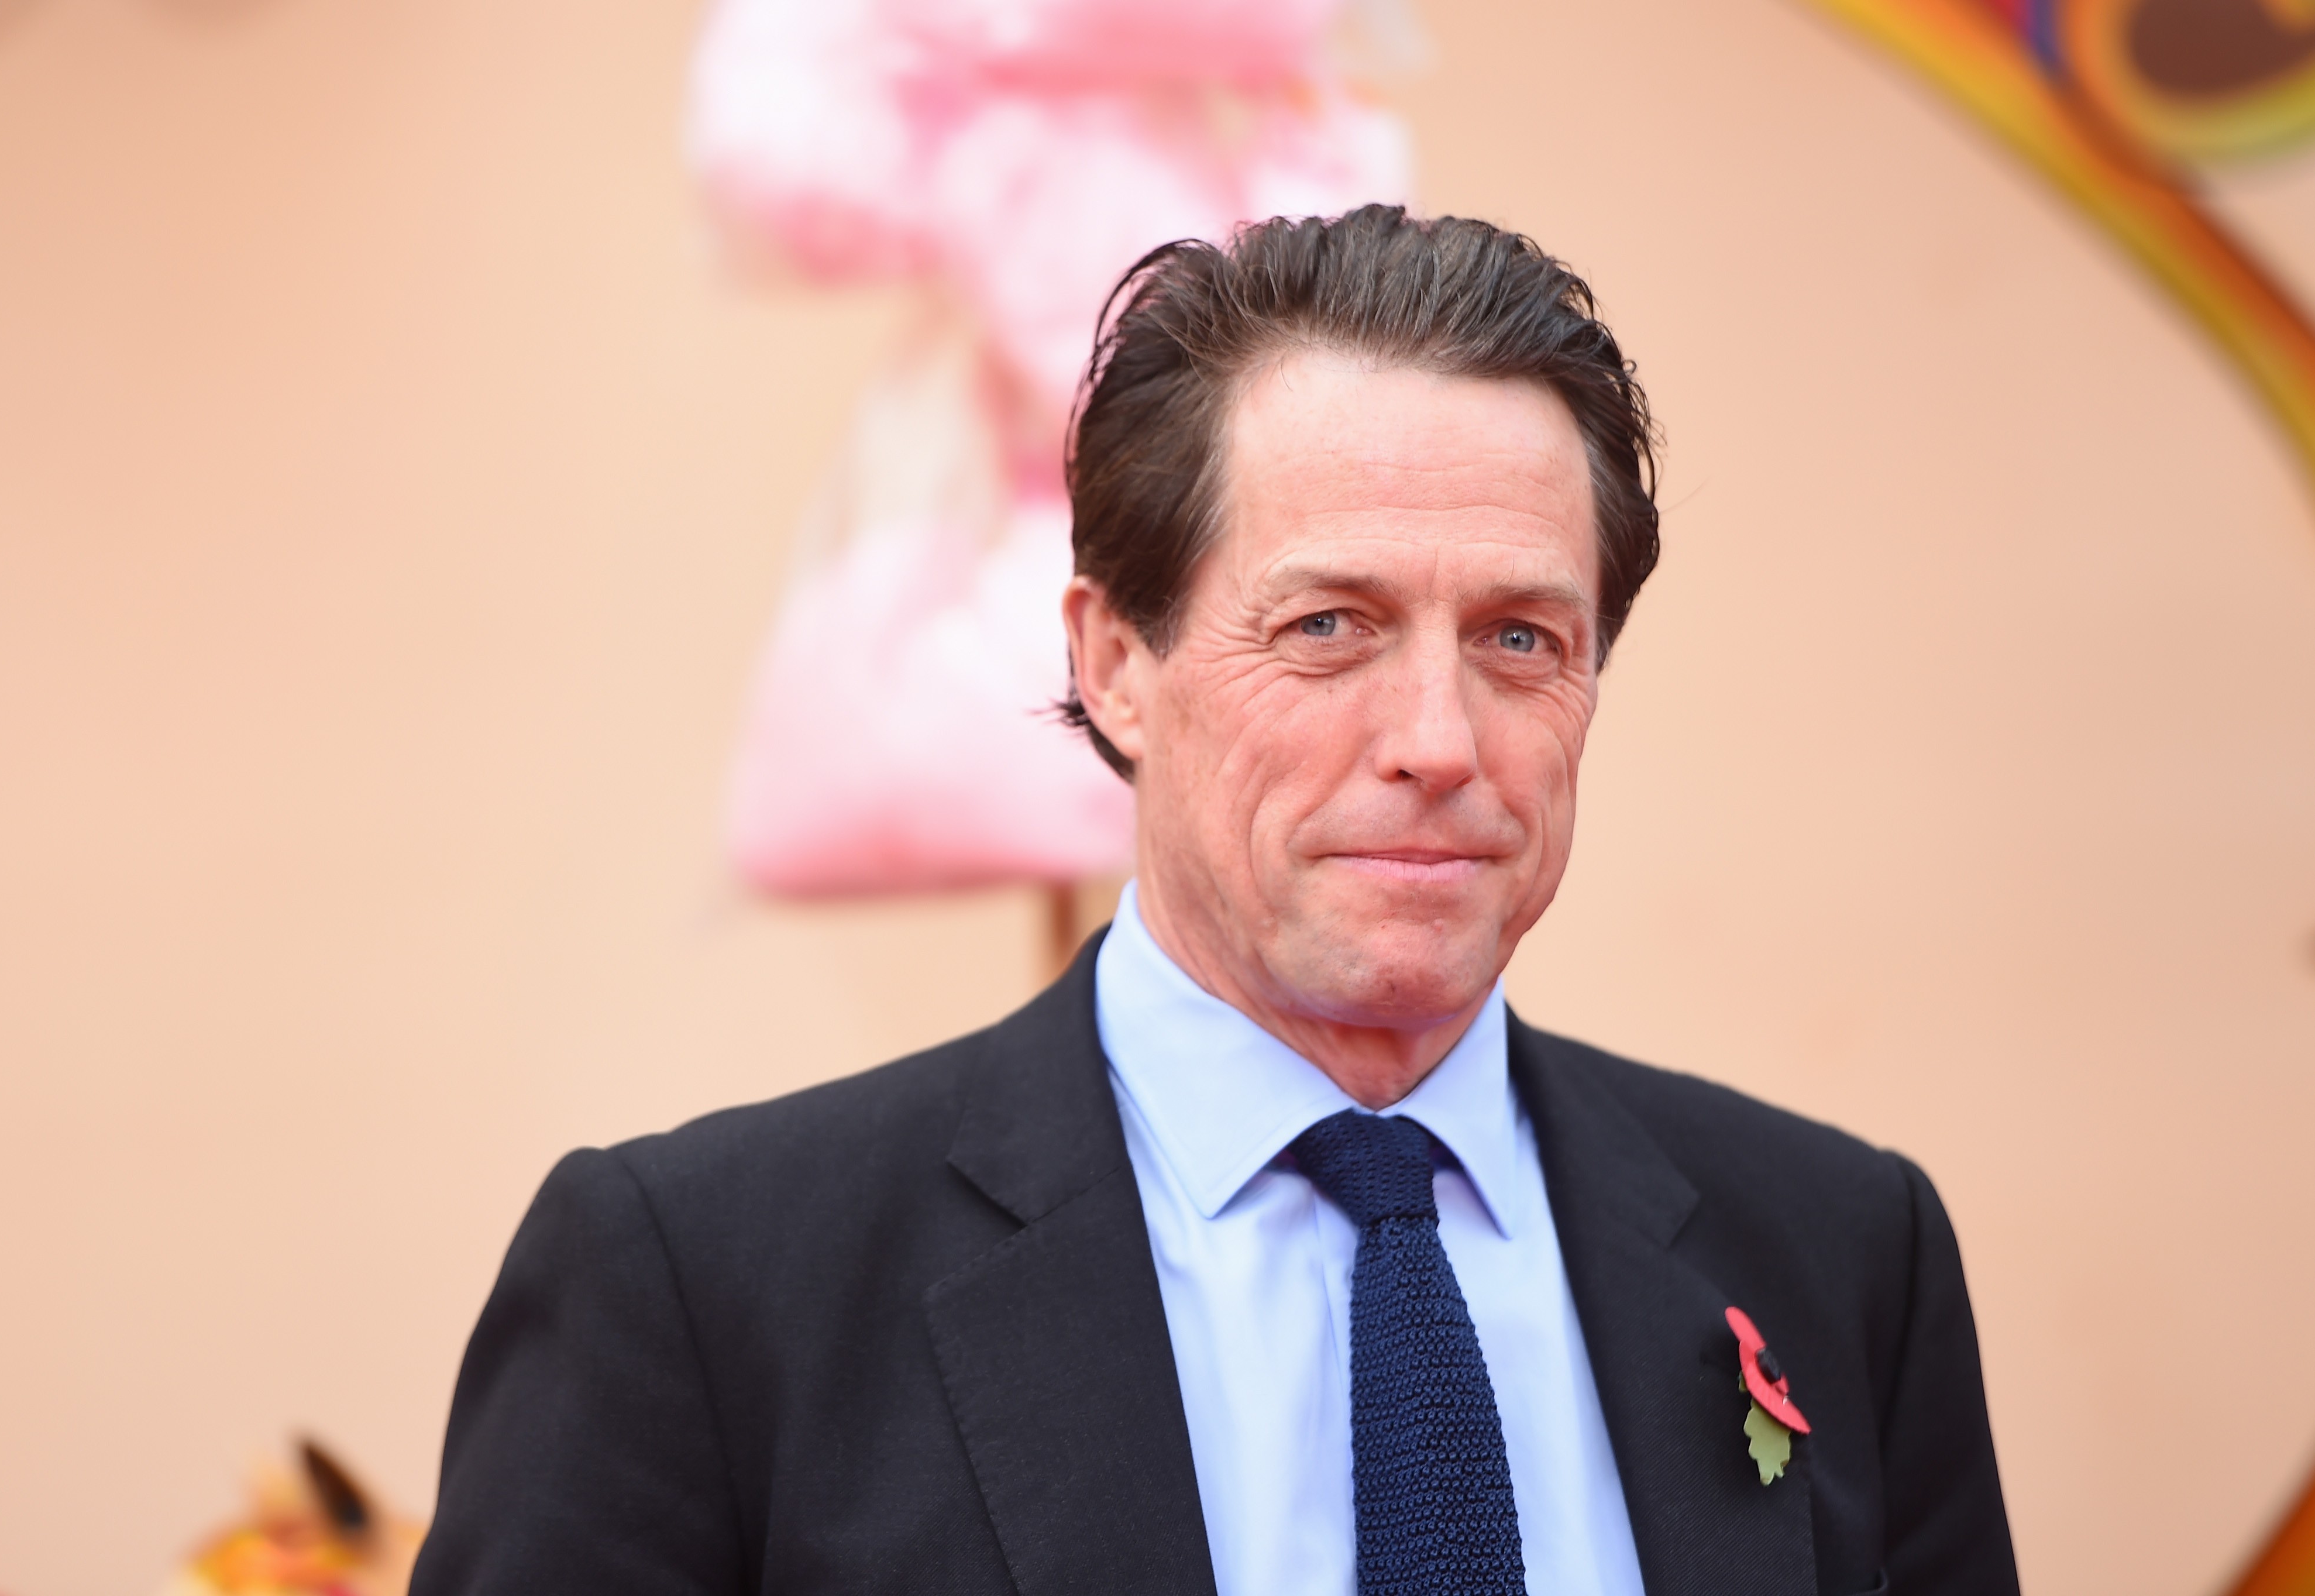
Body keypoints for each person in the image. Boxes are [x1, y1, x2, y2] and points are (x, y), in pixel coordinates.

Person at [411, 207, 2020, 1596]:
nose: (1439, 742)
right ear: (1115, 661)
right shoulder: (706, 1289)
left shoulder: (1838, 1254)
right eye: (1329, 627)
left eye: (1520, 639)